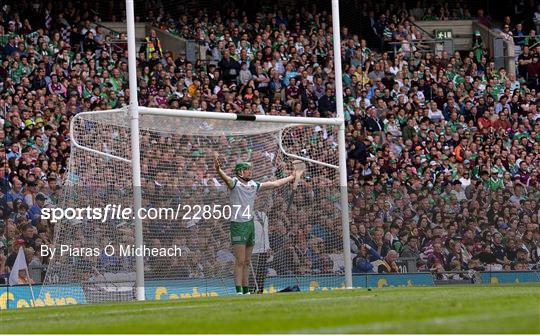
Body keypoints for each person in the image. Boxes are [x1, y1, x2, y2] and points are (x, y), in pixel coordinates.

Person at [214, 152, 303, 295]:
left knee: (248, 261)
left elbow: (274, 184)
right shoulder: (235, 183)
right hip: (238, 225)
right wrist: (218, 170)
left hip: (249, 225)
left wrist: (291, 177)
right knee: (240, 260)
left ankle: (247, 291)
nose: (250, 171)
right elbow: (226, 179)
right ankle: (239, 291)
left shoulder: (254, 185)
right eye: (247, 169)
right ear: (240, 172)